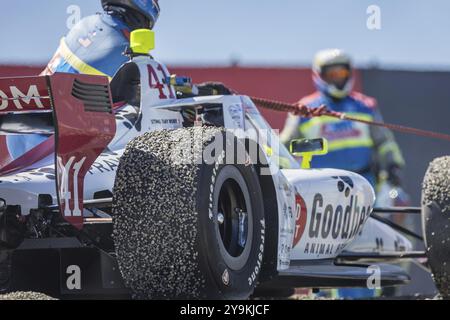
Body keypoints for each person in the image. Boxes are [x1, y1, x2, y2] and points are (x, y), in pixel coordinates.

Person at [280, 48, 405, 188]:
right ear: (319, 75)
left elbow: (384, 142)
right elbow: (284, 147)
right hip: (320, 187)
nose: (338, 78)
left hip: (364, 184)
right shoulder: (303, 108)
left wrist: (393, 165)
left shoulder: (366, 106)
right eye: (332, 74)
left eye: (342, 73)